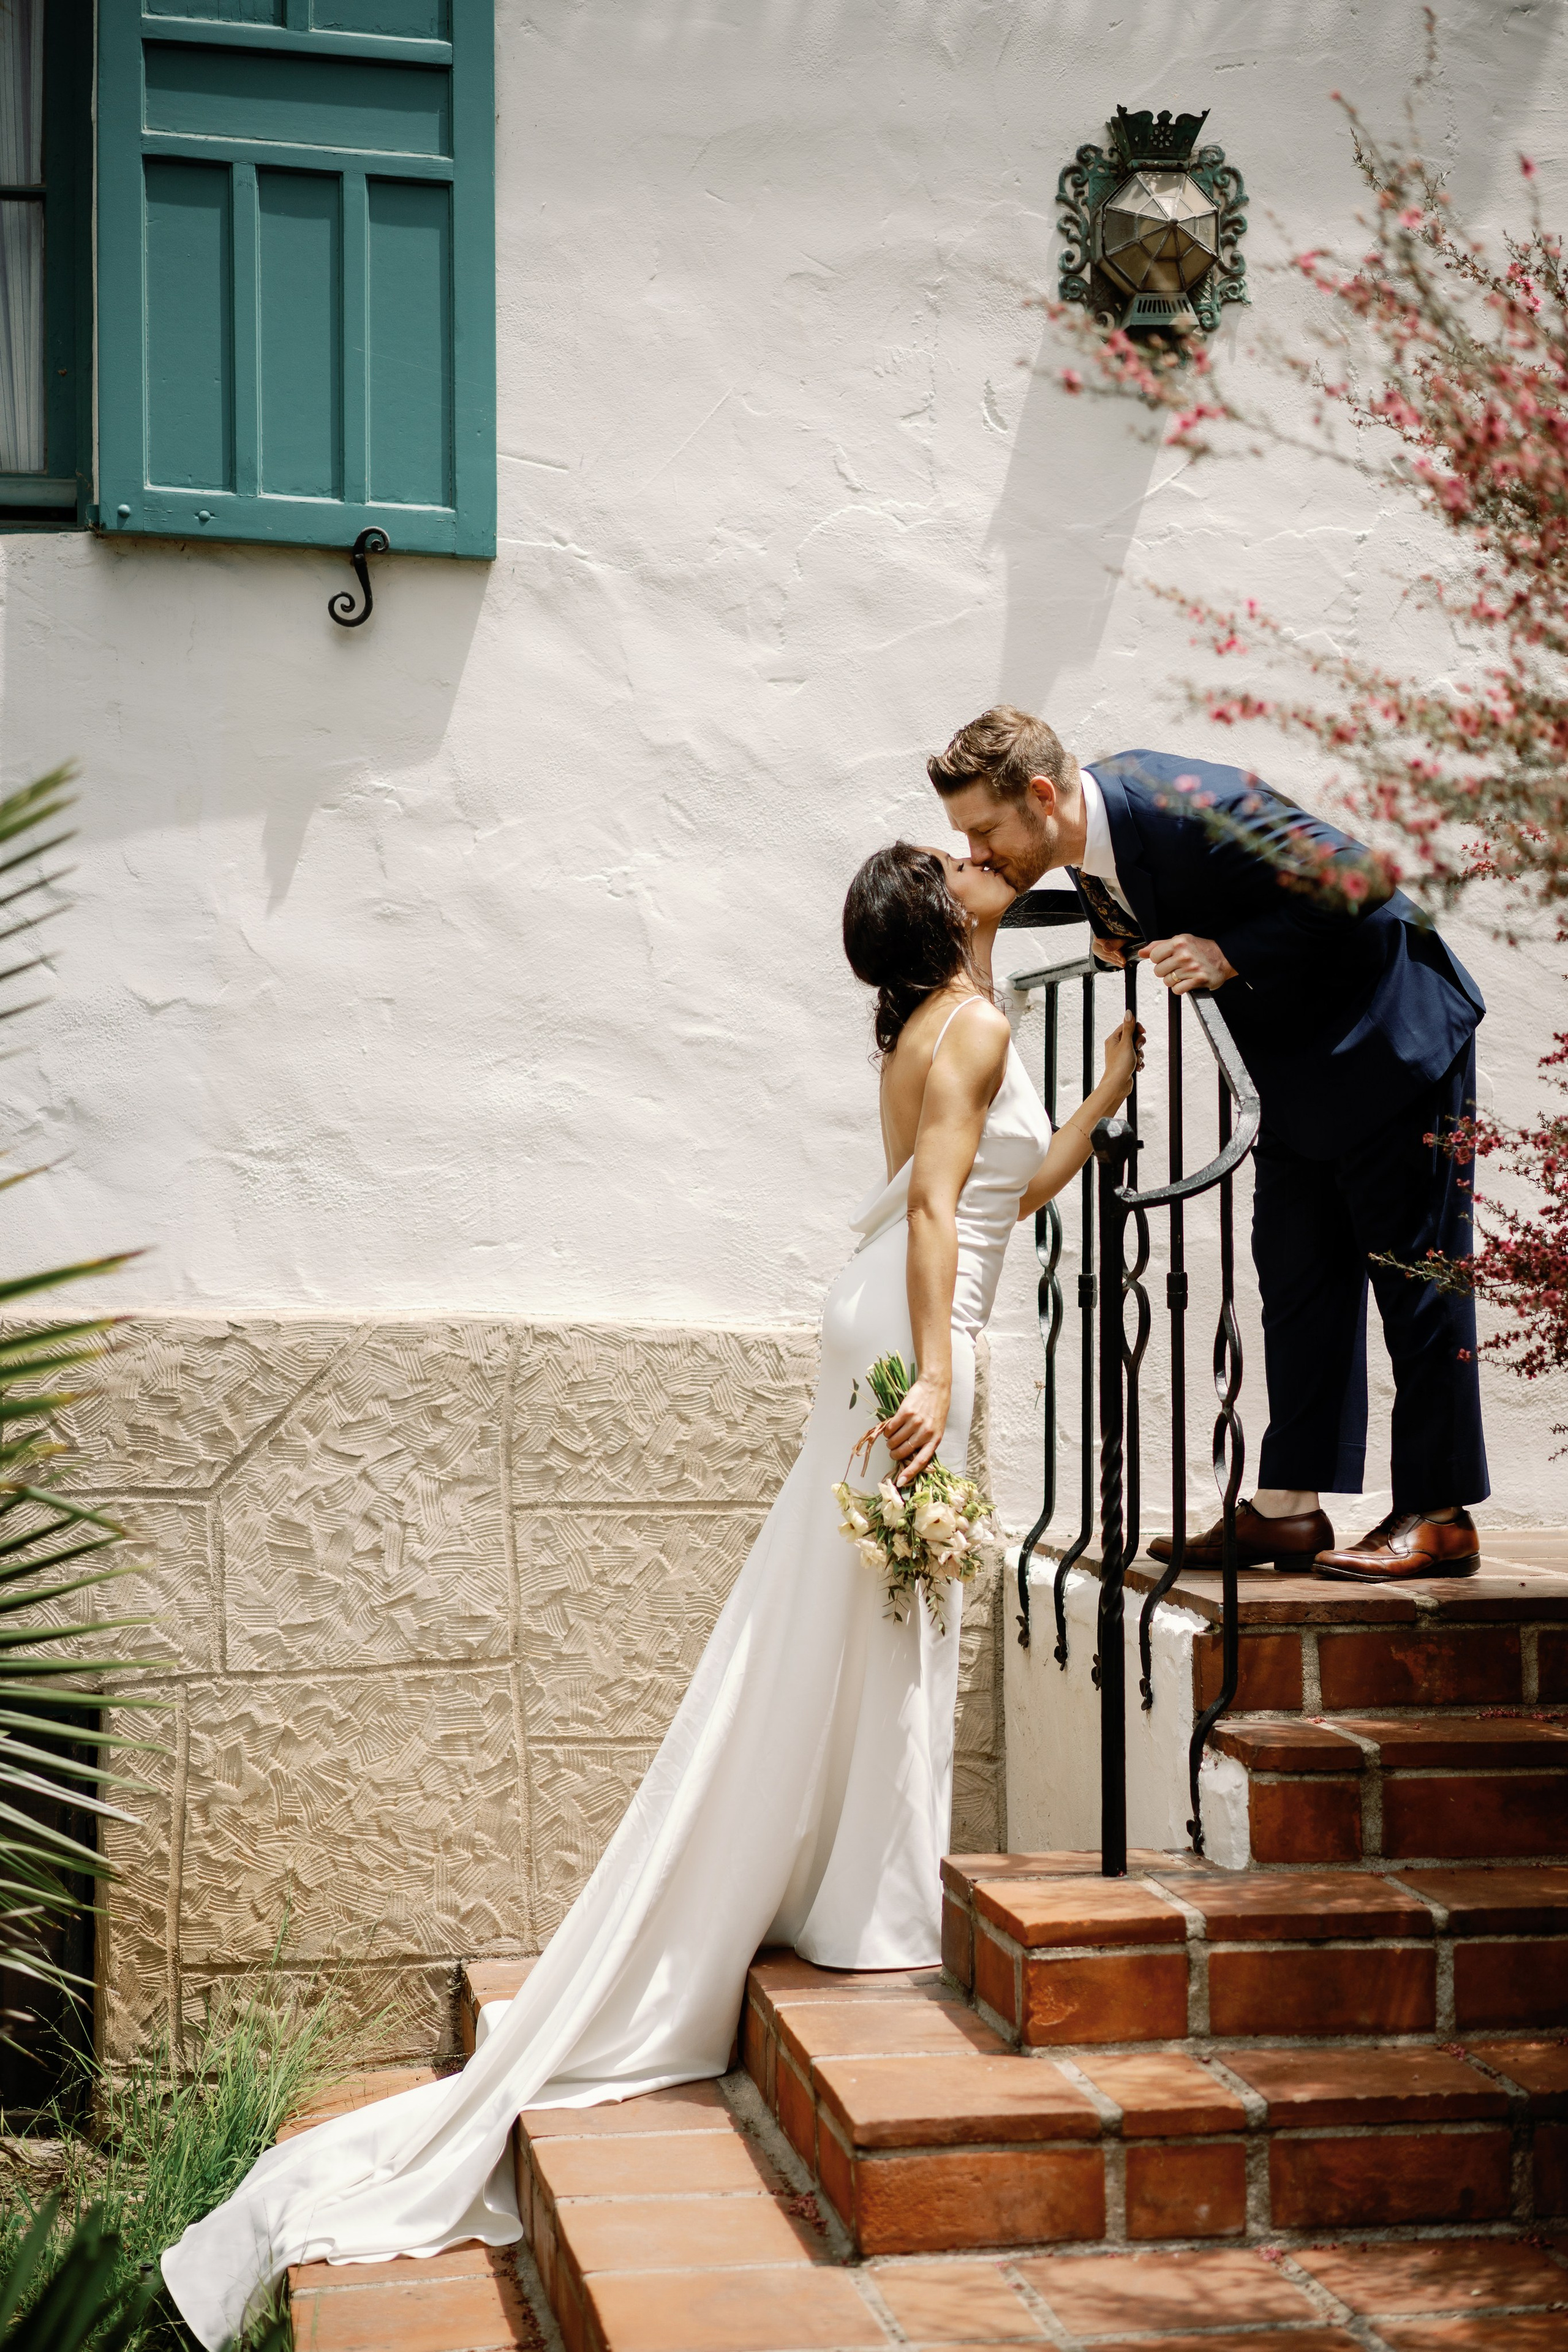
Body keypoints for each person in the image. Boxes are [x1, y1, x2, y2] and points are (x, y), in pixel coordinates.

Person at [161, 842, 1141, 2349]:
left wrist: (1100, 1101)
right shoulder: (975, 1026)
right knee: (892, 1601)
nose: (980, 861)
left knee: (865, 1603)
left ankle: (844, 1884)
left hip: (888, 1309)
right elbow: (944, 1214)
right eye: (957, 865)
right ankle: (868, 1902)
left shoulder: (937, 1024)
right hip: (909, 1327)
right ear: (943, 924)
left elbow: (998, 1182)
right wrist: (943, 1374)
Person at [927, 704, 1488, 1585]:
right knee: (1295, 1277)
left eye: (984, 831)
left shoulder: (1180, 800)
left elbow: (1359, 877)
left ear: (1041, 795)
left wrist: (1229, 951)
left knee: (1416, 1278)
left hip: (1393, 1041)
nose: (980, 849)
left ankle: (1441, 1515)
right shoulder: (1091, 845)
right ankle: (1289, 1509)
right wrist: (1118, 933)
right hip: (1298, 1068)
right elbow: (1170, 891)